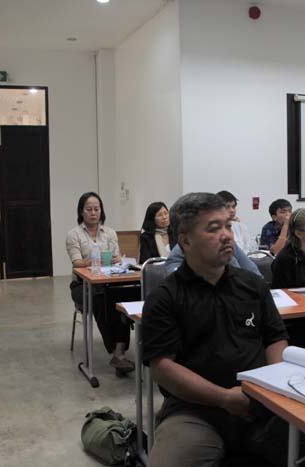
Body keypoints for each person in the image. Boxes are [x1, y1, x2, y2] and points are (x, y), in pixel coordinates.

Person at [142, 192, 289, 467]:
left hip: (261, 401)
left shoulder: (252, 285)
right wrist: (224, 398)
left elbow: (275, 338)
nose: (227, 236)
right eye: (213, 228)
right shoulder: (165, 297)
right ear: (185, 241)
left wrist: (274, 386)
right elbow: (162, 367)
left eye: (228, 226)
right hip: (195, 410)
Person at [66, 192, 138, 375]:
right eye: (89, 209)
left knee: (122, 299)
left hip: (108, 282)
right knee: (99, 300)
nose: (93, 213)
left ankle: (119, 352)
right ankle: (116, 353)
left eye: (96, 209)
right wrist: (93, 261)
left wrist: (115, 259)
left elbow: (116, 257)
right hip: (82, 285)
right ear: (81, 212)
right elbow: (76, 263)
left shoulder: (110, 233)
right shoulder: (74, 234)